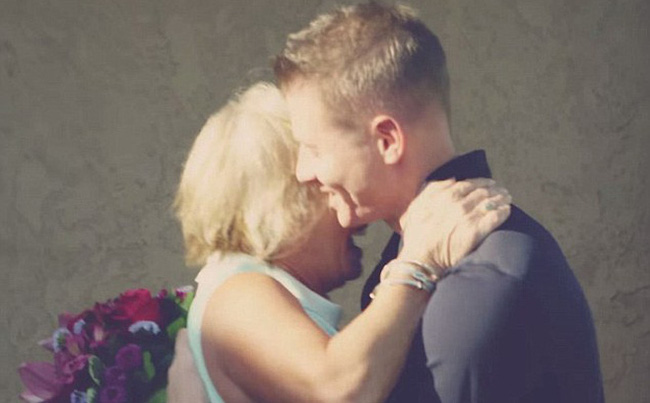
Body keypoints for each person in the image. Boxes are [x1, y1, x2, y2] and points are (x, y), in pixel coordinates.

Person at [273, 3, 604, 402]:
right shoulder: (417, 258)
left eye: (313, 149)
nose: (302, 172)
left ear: (387, 141)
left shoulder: (478, 286)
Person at [169, 82, 510, 402]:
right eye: (328, 184)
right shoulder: (239, 294)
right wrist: (419, 262)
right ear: (285, 201)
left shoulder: (248, 290)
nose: (352, 209)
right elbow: (338, 390)